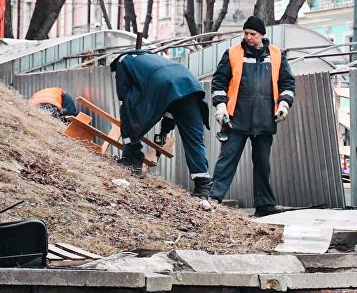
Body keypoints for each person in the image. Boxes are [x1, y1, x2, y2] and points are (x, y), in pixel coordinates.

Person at [209, 16, 296, 216]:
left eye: (252, 34)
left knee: (262, 164)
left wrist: (284, 104)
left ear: (262, 35)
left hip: (265, 120)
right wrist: (221, 106)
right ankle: (214, 199)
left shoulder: (276, 54)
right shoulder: (232, 54)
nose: (248, 37)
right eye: (246, 33)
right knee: (226, 161)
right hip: (236, 119)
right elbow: (219, 82)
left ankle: (264, 205)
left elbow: (288, 83)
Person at [109, 49, 212, 197]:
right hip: (190, 85)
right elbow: (173, 104)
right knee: (194, 139)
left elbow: (123, 93)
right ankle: (203, 185)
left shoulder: (122, 60)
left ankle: (132, 156)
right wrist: (164, 131)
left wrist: (138, 114)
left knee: (126, 110)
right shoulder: (154, 57)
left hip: (164, 86)